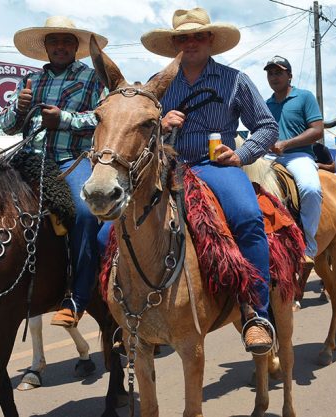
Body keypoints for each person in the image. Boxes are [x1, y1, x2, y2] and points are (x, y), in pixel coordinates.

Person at [141, 7, 279, 353]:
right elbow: (137, 130)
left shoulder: (235, 79)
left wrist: (241, 155)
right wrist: (160, 125)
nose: (190, 42)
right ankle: (129, 317)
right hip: (167, 167)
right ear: (174, 44)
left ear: (210, 40)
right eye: (183, 38)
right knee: (109, 232)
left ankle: (256, 315)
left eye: (198, 36)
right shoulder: (157, 83)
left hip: (216, 166)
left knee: (247, 218)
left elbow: (267, 126)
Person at [0, 16, 108, 328]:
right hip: (27, 159)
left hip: (70, 160)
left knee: (85, 213)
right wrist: (19, 108)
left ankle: (78, 297)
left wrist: (64, 119)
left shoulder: (92, 79)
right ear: (46, 47)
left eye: (66, 41)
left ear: (76, 46)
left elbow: (102, 119)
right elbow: (7, 125)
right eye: (54, 42)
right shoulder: (29, 81)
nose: (60, 46)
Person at [263, 55, 323, 278]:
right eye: (270, 73)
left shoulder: (304, 97)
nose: (274, 77)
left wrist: (286, 144)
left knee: (310, 188)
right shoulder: (266, 105)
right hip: (269, 158)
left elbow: (317, 130)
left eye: (279, 72)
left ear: (289, 75)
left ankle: (309, 246)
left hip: (298, 156)